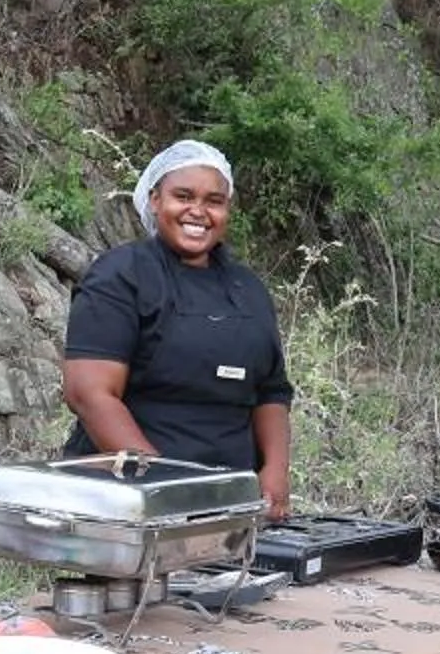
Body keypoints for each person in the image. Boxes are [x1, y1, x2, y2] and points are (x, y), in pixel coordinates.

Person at [60, 139, 293, 517]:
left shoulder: (248, 289)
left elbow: (272, 391)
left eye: (214, 201)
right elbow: (89, 394)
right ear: (155, 200)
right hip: (127, 501)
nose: (198, 211)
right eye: (183, 196)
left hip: (230, 500)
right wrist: (162, 485)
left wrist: (275, 470)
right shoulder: (120, 276)